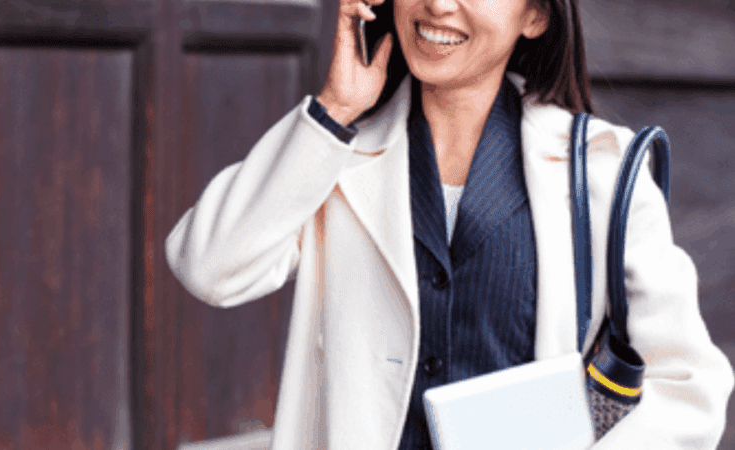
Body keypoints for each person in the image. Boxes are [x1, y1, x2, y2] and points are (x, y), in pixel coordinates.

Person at [165, 0, 734, 448]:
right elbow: (209, 267)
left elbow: (690, 387)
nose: (438, 5)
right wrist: (335, 108)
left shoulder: (602, 171)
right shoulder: (332, 157)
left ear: (535, 16)